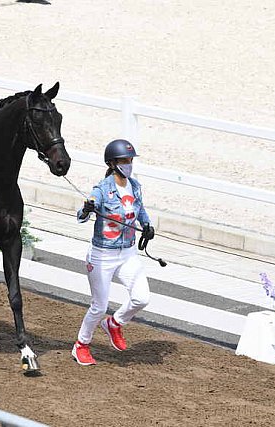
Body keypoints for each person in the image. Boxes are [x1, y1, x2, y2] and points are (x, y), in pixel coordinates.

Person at [72, 139, 156, 366]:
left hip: (128, 253)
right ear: (113, 163)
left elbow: (140, 210)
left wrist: (147, 226)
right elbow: (81, 214)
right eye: (124, 160)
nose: (128, 164)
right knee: (99, 306)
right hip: (103, 255)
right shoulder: (102, 189)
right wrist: (87, 209)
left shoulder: (135, 186)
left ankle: (115, 323)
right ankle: (81, 344)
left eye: (130, 160)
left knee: (141, 298)